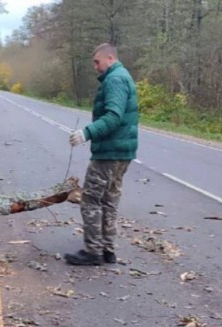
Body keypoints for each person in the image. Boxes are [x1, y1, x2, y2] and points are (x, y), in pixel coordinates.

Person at [64, 43, 139, 266]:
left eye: (97, 62)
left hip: (109, 152)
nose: (95, 67)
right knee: (110, 199)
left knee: (90, 199)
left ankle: (93, 251)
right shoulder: (122, 76)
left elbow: (114, 116)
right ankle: (108, 249)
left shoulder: (115, 79)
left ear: (109, 58)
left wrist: (86, 133)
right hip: (122, 152)